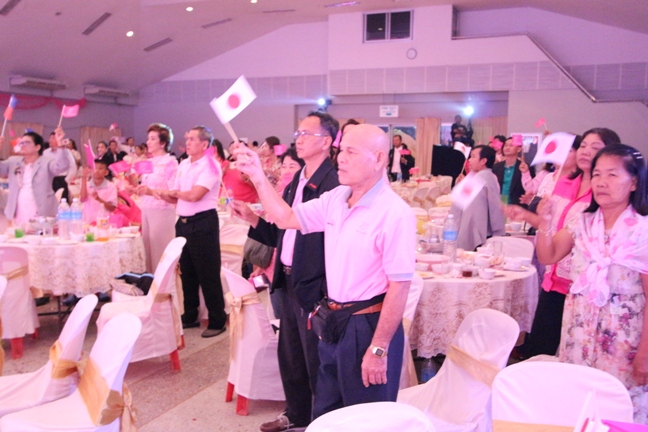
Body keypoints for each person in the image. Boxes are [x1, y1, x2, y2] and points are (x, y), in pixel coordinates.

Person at [235, 123, 415, 419]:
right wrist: (257, 175)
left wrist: (379, 348)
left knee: (365, 418)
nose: (340, 157)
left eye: (351, 152)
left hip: (367, 324)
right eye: (341, 150)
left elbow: (400, 286)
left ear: (379, 159)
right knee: (327, 412)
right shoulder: (337, 198)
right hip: (332, 319)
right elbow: (286, 218)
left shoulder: (394, 213)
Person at [231, 111, 340, 432]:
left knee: (315, 358)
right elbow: (283, 230)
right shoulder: (298, 180)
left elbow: (325, 241)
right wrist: (253, 219)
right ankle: (296, 413)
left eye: (307, 134)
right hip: (287, 277)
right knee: (290, 353)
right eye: (298, 133)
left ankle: (321, 423)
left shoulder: (332, 183)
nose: (299, 139)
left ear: (326, 142)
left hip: (314, 282)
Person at [536, 144, 648, 423]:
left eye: (612, 174)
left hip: (624, 340)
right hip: (579, 329)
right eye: (597, 174)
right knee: (578, 402)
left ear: (634, 182)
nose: (601, 182)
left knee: (619, 408)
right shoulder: (582, 220)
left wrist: (645, 354)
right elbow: (548, 255)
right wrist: (545, 223)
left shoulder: (642, 230)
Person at [506, 128, 621, 358]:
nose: (585, 152)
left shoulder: (604, 198)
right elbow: (554, 229)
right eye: (584, 146)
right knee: (541, 349)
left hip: (584, 285)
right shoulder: (565, 182)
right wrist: (530, 215)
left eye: (595, 147)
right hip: (554, 275)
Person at [158, 126, 227, 338]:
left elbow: (195, 195)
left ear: (204, 144)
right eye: (187, 139)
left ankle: (217, 319)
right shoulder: (184, 163)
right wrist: (158, 193)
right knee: (187, 272)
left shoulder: (211, 165)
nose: (187, 143)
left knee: (208, 272)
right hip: (183, 222)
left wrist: (175, 193)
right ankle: (190, 314)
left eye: (192, 139)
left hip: (203, 222)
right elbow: (177, 195)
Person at [0, 129, 70, 225]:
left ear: (37, 147)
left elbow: (61, 166)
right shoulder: (13, 161)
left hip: (41, 208)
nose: (23, 145)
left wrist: (60, 145)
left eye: (27, 142)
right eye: (21, 143)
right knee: (21, 232)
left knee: (40, 232)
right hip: (19, 208)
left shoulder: (46, 162)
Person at [135, 123, 178, 273]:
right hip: (146, 208)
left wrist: (150, 191)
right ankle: (150, 283)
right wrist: (135, 189)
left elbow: (173, 191)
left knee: (160, 251)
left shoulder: (170, 162)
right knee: (147, 250)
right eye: (148, 138)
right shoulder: (148, 162)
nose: (148, 142)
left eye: (153, 139)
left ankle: (164, 285)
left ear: (163, 143)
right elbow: (145, 186)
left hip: (162, 210)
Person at [450, 145, 506, 251]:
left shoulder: (483, 177)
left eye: (473, 156)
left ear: (483, 161)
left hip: (477, 228)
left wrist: (498, 231)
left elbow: (495, 206)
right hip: (477, 227)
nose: (469, 160)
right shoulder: (482, 176)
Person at [492, 137, 527, 206]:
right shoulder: (496, 167)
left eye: (511, 145)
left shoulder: (524, 167)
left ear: (519, 149)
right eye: (505, 145)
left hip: (518, 205)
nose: (507, 148)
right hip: (500, 203)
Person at [43, 131, 77, 202]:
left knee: (62, 201)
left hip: (61, 179)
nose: (50, 140)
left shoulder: (65, 151)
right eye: (50, 138)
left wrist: (67, 179)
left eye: (53, 138)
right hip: (49, 180)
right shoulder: (45, 152)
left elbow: (72, 166)